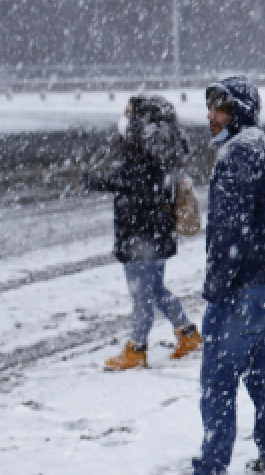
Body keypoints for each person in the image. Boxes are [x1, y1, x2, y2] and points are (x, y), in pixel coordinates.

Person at [193, 77, 265, 475]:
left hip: (242, 294)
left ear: (240, 111)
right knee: (262, 377)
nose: (211, 116)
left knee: (218, 383)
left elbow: (231, 233)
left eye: (220, 108)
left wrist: (217, 289)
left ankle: (213, 466)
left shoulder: (238, 153)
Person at [83, 95, 201, 371]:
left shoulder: (142, 153)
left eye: (129, 115)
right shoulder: (159, 150)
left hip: (141, 237)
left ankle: (136, 349)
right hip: (154, 234)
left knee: (141, 295)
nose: (124, 120)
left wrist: (95, 180)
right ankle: (188, 334)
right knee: (156, 290)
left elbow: (131, 185)